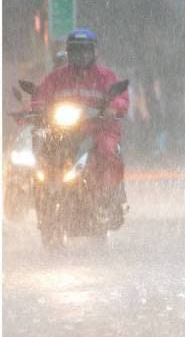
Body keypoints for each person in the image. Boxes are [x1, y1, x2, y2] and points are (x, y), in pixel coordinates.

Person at [32, 29, 129, 228]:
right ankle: (46, 198)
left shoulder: (105, 76)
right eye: (76, 51)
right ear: (69, 53)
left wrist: (113, 107)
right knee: (44, 152)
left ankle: (107, 196)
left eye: (86, 50)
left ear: (94, 52)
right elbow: (40, 95)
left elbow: (121, 97)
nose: (82, 55)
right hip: (63, 131)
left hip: (99, 129)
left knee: (106, 150)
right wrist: (37, 108)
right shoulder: (57, 77)